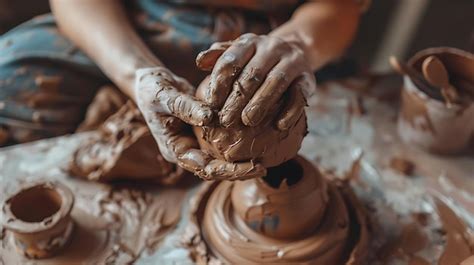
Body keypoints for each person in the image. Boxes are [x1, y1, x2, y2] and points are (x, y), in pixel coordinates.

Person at [0, 0, 369, 179]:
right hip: (142, 18)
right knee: (10, 79)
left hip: (284, 33)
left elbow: (339, 6)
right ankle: (131, 106)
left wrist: (298, 45)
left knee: (332, 136)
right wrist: (136, 75)